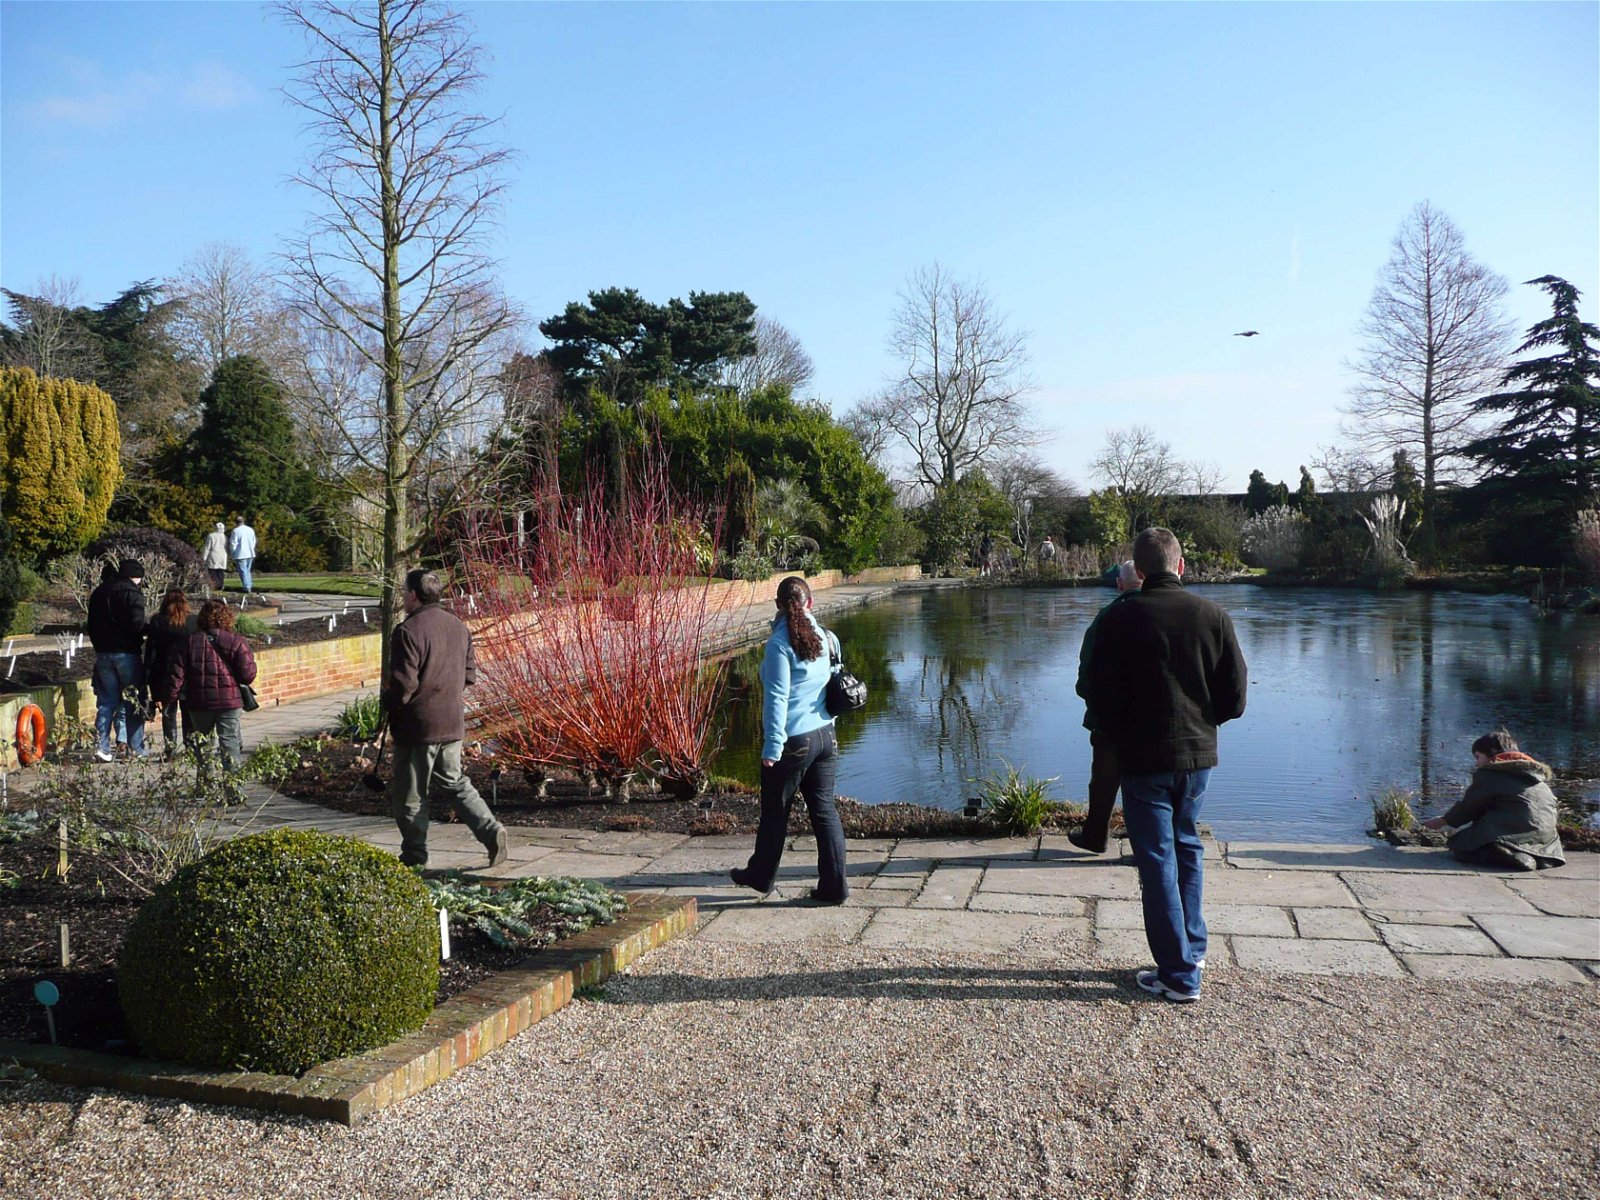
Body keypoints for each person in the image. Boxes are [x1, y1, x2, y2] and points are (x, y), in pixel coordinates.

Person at [1085, 528, 1247, 1003]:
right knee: (1187, 848)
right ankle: (1191, 951)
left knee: (1157, 859)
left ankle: (1178, 974)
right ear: (1181, 566)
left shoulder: (1118, 620)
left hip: (1142, 758)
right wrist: (1201, 718)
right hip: (1198, 756)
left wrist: (1123, 729)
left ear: (1136, 569)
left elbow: (1096, 692)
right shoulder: (1213, 616)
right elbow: (1235, 698)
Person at [730, 574, 848, 904]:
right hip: (825, 737)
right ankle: (835, 887)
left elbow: (777, 698)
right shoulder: (826, 637)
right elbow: (831, 682)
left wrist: (772, 747)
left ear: (779, 605)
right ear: (810, 602)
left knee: (775, 811)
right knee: (824, 811)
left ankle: (761, 876)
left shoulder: (779, 644)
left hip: (793, 741)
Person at [382, 568, 507, 869]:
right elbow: (468, 676)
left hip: (417, 728)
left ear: (413, 595)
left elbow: (403, 688)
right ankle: (492, 832)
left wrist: (387, 703)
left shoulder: (407, 631)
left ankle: (413, 858)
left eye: (403, 592)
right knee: (454, 782)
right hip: (452, 722)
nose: (402, 596)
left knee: (411, 796)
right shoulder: (458, 626)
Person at [1070, 560, 1141, 854]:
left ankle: (1096, 835)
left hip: (1109, 719)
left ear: (1119, 585)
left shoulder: (1104, 618)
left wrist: (1092, 701)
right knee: (1143, 787)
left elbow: (1085, 675)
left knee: (1103, 781)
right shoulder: (1164, 615)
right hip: (1154, 721)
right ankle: (1144, 844)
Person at [1421, 731, 1565, 871]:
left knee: (1460, 844)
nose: (1477, 764)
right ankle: (1540, 859)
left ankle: (1505, 853)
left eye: (1478, 757)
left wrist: (1444, 821)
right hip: (1547, 839)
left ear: (1492, 751)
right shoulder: (1537, 776)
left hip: (1511, 832)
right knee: (1532, 841)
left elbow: (1470, 807)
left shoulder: (1491, 773)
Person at [167, 599, 257, 776]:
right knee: (229, 742)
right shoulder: (236, 641)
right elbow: (248, 675)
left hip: (199, 701)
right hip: (230, 701)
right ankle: (233, 790)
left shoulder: (189, 642)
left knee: (203, 745)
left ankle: (205, 787)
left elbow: (177, 674)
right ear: (227, 618)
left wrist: (171, 696)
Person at [87, 559, 149, 762]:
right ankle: (135, 748)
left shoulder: (99, 591)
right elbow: (136, 623)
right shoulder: (132, 592)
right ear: (137, 577)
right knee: (134, 701)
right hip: (127, 652)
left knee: (106, 703)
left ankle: (102, 747)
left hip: (103, 653)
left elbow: (91, 623)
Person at [143, 588, 195, 759]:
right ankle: (190, 748)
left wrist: (148, 674)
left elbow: (151, 652)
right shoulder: (193, 622)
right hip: (188, 673)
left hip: (163, 673)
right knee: (188, 713)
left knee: (168, 713)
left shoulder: (158, 621)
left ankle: (170, 750)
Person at [228, 515, 257, 594]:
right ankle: (249, 585)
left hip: (241, 553)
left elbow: (233, 543)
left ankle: (246, 587)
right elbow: (254, 541)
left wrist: (233, 553)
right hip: (250, 552)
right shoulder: (250, 529)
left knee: (243, 571)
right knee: (247, 571)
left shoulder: (236, 531)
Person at [200, 522, 229, 590]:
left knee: (212, 570)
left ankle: (216, 584)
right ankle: (221, 584)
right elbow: (227, 547)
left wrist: (204, 558)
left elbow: (207, 547)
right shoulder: (225, 537)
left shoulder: (211, 535)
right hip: (223, 555)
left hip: (214, 554)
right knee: (220, 571)